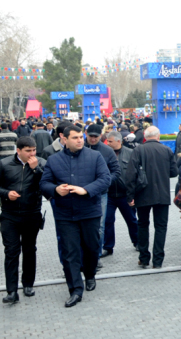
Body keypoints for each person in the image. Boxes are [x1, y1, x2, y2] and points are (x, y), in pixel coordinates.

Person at [40, 125, 111, 308]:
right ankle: (75, 290)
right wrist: (55, 190)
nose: (80, 140)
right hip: (65, 214)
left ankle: (90, 275)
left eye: (81, 136)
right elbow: (44, 183)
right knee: (70, 252)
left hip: (90, 211)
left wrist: (86, 190)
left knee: (91, 247)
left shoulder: (95, 156)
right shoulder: (54, 160)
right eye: (75, 137)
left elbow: (105, 179)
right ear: (65, 139)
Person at [0, 137, 47, 304]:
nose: (32, 154)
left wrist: (36, 170)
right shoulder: (5, 164)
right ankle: (11, 291)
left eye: (34, 150)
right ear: (18, 150)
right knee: (11, 251)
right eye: (28, 151)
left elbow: (45, 185)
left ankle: (28, 284)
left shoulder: (40, 163)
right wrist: (6, 194)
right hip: (9, 215)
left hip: (31, 213)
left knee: (29, 249)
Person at [125, 126, 178, 269]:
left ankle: (143, 257)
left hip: (142, 193)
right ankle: (158, 260)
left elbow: (130, 175)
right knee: (161, 226)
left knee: (142, 224)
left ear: (144, 136)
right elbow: (174, 172)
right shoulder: (166, 150)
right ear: (158, 136)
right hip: (162, 193)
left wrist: (130, 196)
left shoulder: (138, 150)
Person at [85, 124, 121, 267]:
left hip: (101, 194)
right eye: (90, 136)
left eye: (96, 136)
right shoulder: (79, 148)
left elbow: (116, 172)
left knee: (99, 226)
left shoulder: (107, 151)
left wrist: (104, 182)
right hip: (81, 193)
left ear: (101, 136)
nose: (93, 139)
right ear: (86, 134)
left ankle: (96, 255)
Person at [102, 132, 138, 256]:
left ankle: (137, 242)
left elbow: (136, 174)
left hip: (125, 195)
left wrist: (133, 194)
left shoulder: (131, 153)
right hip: (109, 194)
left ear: (118, 141)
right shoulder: (104, 153)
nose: (108, 143)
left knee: (132, 220)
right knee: (107, 221)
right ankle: (108, 246)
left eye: (110, 141)